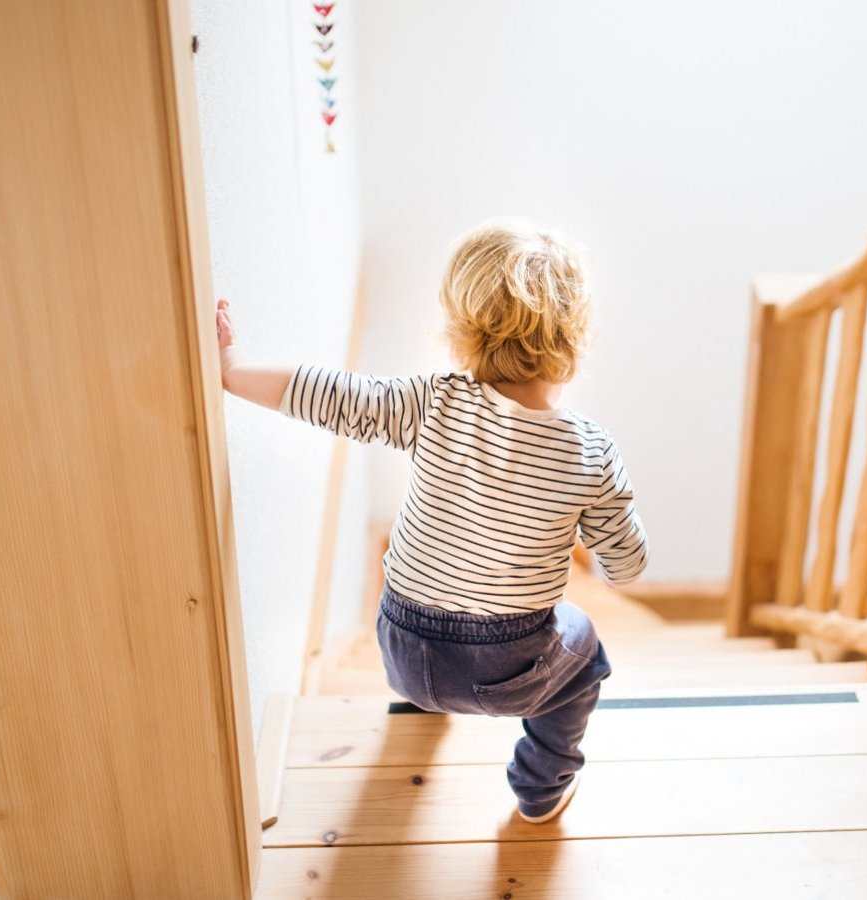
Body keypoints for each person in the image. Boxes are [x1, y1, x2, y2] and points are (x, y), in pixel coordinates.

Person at [215, 218, 648, 824]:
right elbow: (624, 569)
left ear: (462, 329)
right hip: (507, 673)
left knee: (430, 601)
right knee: (584, 651)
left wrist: (232, 370)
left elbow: (332, 394)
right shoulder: (590, 452)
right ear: (575, 339)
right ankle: (541, 787)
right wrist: (596, 533)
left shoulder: (433, 400)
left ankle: (424, 705)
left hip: (401, 648)